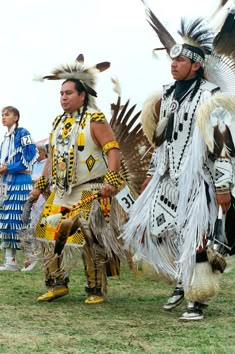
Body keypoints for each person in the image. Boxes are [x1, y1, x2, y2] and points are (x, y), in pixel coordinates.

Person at [122, 11, 235, 321]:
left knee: (196, 240)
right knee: (154, 230)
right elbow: (162, 140)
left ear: (196, 65)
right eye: (172, 61)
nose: (173, 65)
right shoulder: (169, 96)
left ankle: (197, 299)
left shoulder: (211, 98)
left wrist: (223, 187)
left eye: (179, 62)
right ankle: (179, 279)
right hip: (167, 178)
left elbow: (222, 146)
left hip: (198, 180)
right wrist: (151, 175)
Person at [30, 54, 124, 304]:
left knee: (89, 239)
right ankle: (56, 284)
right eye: (61, 93)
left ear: (82, 95)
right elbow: (51, 156)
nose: (63, 97)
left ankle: (95, 288)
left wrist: (111, 180)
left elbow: (112, 149)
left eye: (69, 93)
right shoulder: (58, 122)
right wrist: (41, 184)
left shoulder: (95, 118)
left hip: (90, 189)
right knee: (47, 235)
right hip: (61, 191)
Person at [0, 106, 38, 270]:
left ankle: (31, 257)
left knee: (21, 218)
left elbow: (28, 159)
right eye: (2, 114)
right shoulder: (5, 139)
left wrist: (8, 167)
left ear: (16, 117)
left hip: (21, 180)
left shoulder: (23, 133)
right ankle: (11, 261)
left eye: (7, 114)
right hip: (6, 182)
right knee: (6, 219)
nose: (3, 117)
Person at [21, 142, 48, 272]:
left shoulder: (48, 164)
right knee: (32, 226)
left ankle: (43, 254)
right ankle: (33, 256)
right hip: (33, 198)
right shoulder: (34, 165)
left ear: (42, 151)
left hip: (44, 198)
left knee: (42, 225)